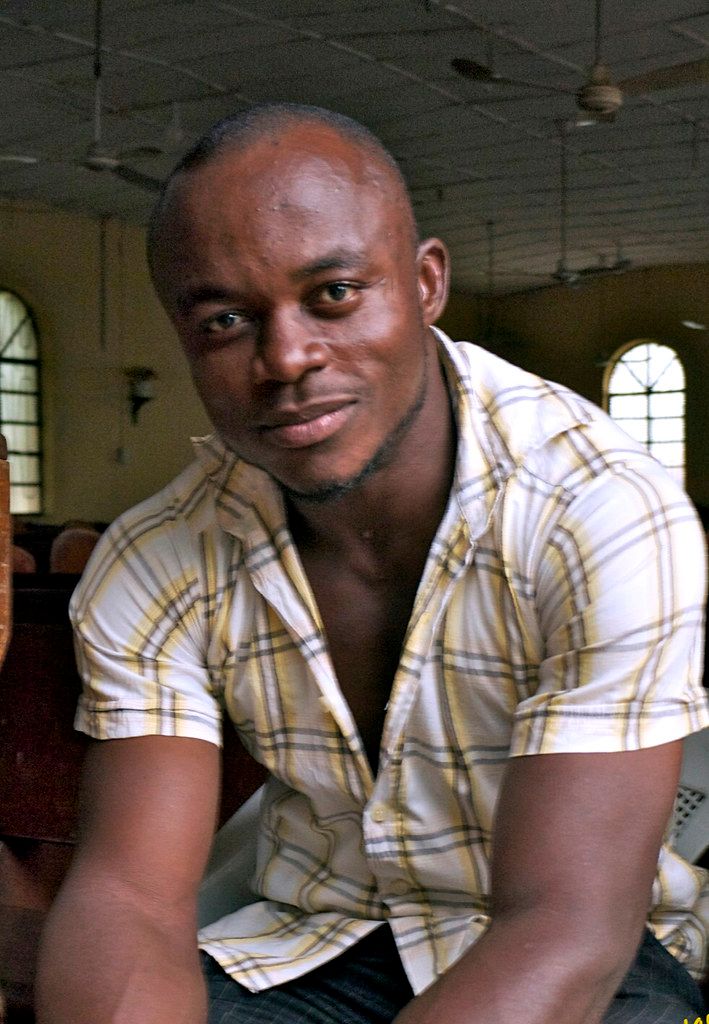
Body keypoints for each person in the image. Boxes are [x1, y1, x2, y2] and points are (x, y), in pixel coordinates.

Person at [36, 103, 709, 1024]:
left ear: (425, 283)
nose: (287, 358)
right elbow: (129, 901)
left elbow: (565, 925)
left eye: (334, 294)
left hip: (589, 957)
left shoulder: (595, 510)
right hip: (322, 938)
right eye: (227, 320)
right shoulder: (161, 558)